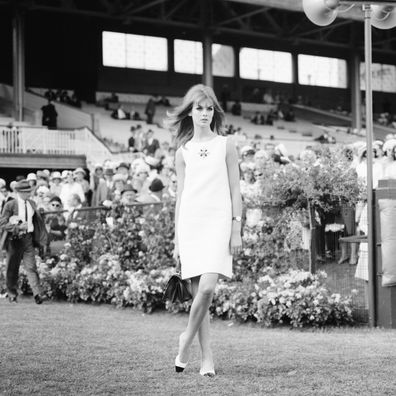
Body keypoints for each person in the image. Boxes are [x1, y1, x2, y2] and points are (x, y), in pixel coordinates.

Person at [166, 84, 242, 377]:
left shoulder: (227, 144)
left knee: (208, 288)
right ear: (190, 111)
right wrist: (176, 239)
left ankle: (185, 338)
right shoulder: (182, 152)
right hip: (191, 224)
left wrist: (237, 228)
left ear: (215, 112)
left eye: (209, 108)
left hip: (220, 223)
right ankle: (206, 360)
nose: (205, 113)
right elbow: (181, 196)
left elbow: (236, 189)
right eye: (199, 108)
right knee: (202, 296)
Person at [0, 180, 48, 304]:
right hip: (14, 240)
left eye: (29, 191)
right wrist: (17, 228)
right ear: (19, 192)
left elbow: (36, 219)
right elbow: (3, 223)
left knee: (31, 267)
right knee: (12, 268)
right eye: (26, 192)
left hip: (28, 239)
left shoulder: (32, 203)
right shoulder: (10, 205)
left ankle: (38, 294)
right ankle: (12, 294)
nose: (29, 194)